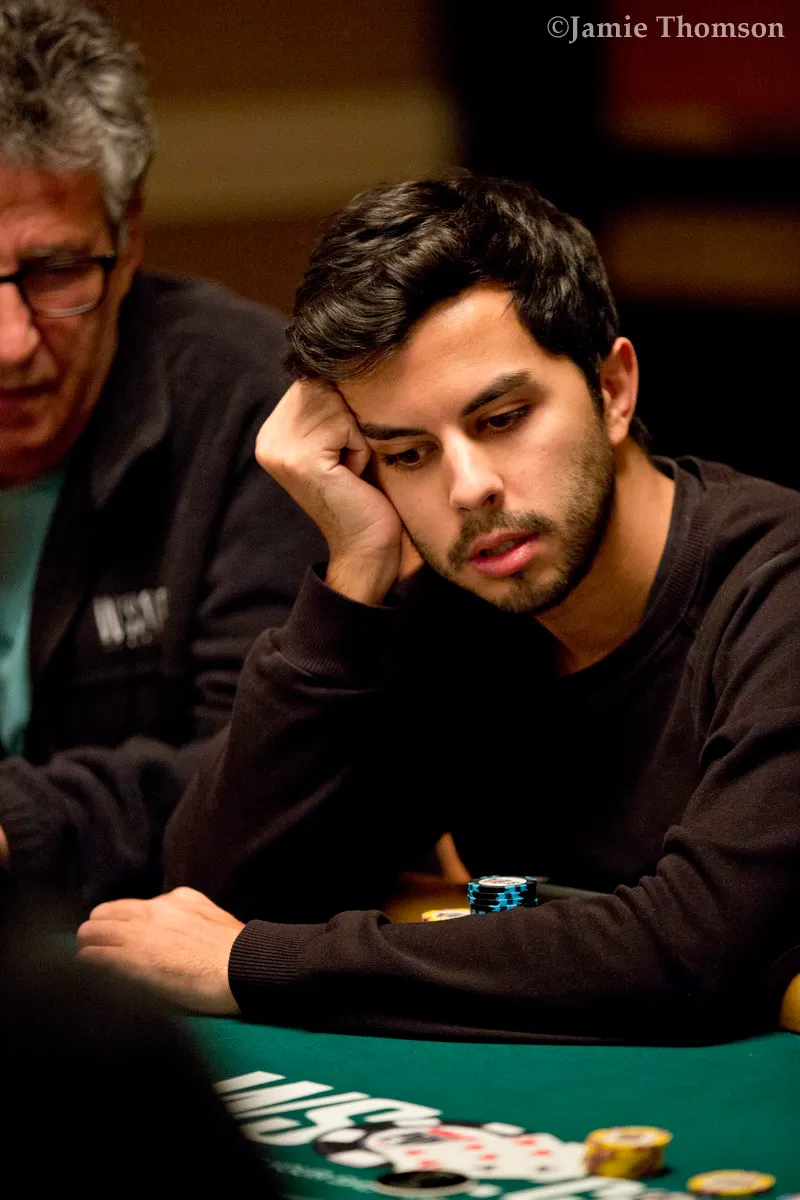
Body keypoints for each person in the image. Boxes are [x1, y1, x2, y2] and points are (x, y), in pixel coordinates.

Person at [78, 175, 800, 1044]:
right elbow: (222, 896)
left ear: (612, 389)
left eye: (501, 419)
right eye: (409, 453)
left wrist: (257, 965)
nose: (468, 489)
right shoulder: (461, 621)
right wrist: (354, 570)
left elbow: (693, 951)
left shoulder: (779, 590)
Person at [0, 0, 323, 905]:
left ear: (129, 237)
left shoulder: (258, 411)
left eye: (55, 271)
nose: (11, 343)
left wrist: (15, 827)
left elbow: (259, 780)